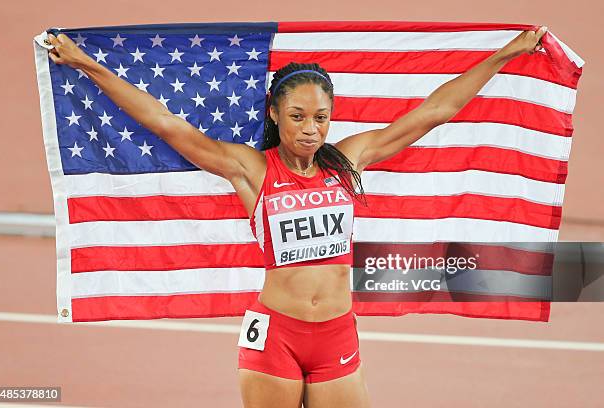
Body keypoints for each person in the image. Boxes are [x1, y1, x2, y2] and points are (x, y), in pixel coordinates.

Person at [46, 25, 547, 408]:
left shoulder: (348, 159)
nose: (311, 129)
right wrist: (87, 64)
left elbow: (433, 112)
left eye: (321, 117)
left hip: (336, 333)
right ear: (274, 114)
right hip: (275, 334)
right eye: (298, 117)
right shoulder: (250, 169)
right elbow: (163, 122)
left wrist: (503, 55)